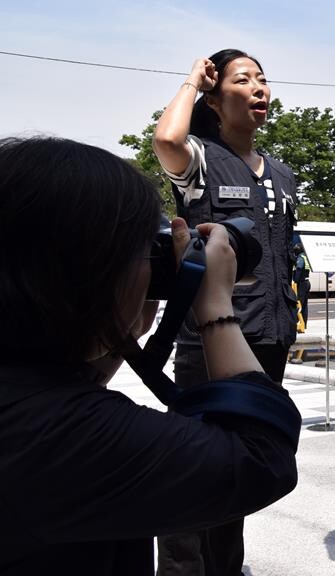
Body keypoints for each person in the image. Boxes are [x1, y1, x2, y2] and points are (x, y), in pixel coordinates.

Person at [0, 137, 299, 575]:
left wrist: (116, 327)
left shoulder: (28, 400)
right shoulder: (64, 434)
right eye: (143, 252)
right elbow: (263, 457)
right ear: (91, 271)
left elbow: (65, 378)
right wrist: (214, 305)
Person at [152, 49, 299, 576]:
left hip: (268, 335)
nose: (259, 88)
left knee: (239, 464)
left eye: (263, 79)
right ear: (214, 101)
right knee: (192, 464)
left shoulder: (282, 174)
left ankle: (226, 567)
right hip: (210, 337)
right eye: (243, 80)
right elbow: (166, 140)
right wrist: (194, 79)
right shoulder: (199, 159)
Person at [293, 243, 311, 331]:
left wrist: (295, 280)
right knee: (305, 305)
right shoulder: (305, 256)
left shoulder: (300, 258)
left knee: (299, 304)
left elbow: (299, 268)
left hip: (302, 283)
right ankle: (304, 323)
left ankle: (299, 323)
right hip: (307, 282)